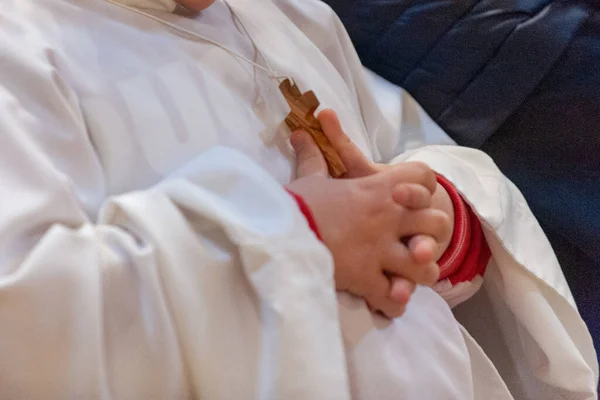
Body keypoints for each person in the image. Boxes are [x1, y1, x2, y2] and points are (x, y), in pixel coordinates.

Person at [0, 0, 596, 398]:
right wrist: (299, 232)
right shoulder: (23, 45)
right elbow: (26, 311)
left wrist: (431, 214)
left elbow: (408, 145)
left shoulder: (283, 15)